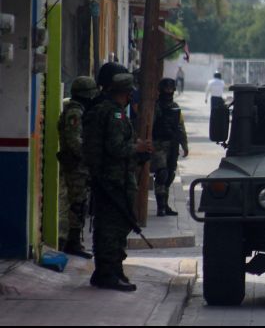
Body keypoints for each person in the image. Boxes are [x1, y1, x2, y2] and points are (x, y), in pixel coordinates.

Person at [82, 73, 153, 292]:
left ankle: (113, 269)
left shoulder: (107, 110)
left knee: (116, 225)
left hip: (113, 179)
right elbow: (115, 148)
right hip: (113, 180)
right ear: (126, 93)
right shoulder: (113, 113)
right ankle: (106, 273)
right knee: (111, 228)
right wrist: (138, 148)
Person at [57, 76, 99, 259]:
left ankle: (73, 241)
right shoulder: (75, 112)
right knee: (77, 204)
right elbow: (75, 141)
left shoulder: (78, 110)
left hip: (78, 165)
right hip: (76, 166)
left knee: (80, 203)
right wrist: (88, 157)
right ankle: (71, 242)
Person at [151, 78, 189, 217]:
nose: (169, 91)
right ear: (161, 90)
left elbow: (181, 127)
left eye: (171, 88)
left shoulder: (175, 107)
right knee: (162, 174)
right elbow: (148, 126)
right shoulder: (155, 107)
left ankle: (165, 205)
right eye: (166, 88)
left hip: (172, 145)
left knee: (170, 175)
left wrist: (185, 145)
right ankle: (160, 207)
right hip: (158, 144)